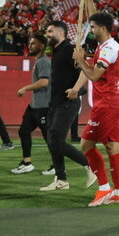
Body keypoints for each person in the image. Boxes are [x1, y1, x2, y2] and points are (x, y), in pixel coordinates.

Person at [73, 12, 119, 207]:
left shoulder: (109, 49)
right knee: (112, 147)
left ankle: (104, 188)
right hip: (110, 102)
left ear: (103, 28)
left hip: (106, 104)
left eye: (93, 27)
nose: (91, 30)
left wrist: (80, 60)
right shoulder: (106, 46)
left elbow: (95, 76)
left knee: (86, 144)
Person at [36, 21, 94, 191]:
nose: (47, 34)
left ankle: (89, 165)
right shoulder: (57, 50)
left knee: (56, 140)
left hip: (68, 102)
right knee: (52, 141)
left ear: (60, 33)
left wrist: (76, 89)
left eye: (50, 31)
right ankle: (61, 179)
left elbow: (86, 69)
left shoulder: (70, 49)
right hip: (55, 102)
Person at [11, 33, 51, 174]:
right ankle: (27, 162)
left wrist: (25, 88)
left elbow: (44, 82)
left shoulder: (44, 62)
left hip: (44, 107)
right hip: (35, 106)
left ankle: (56, 165)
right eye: (30, 43)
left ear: (42, 46)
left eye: (33, 43)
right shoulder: (39, 61)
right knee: (24, 131)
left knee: (49, 138)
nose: (30, 46)